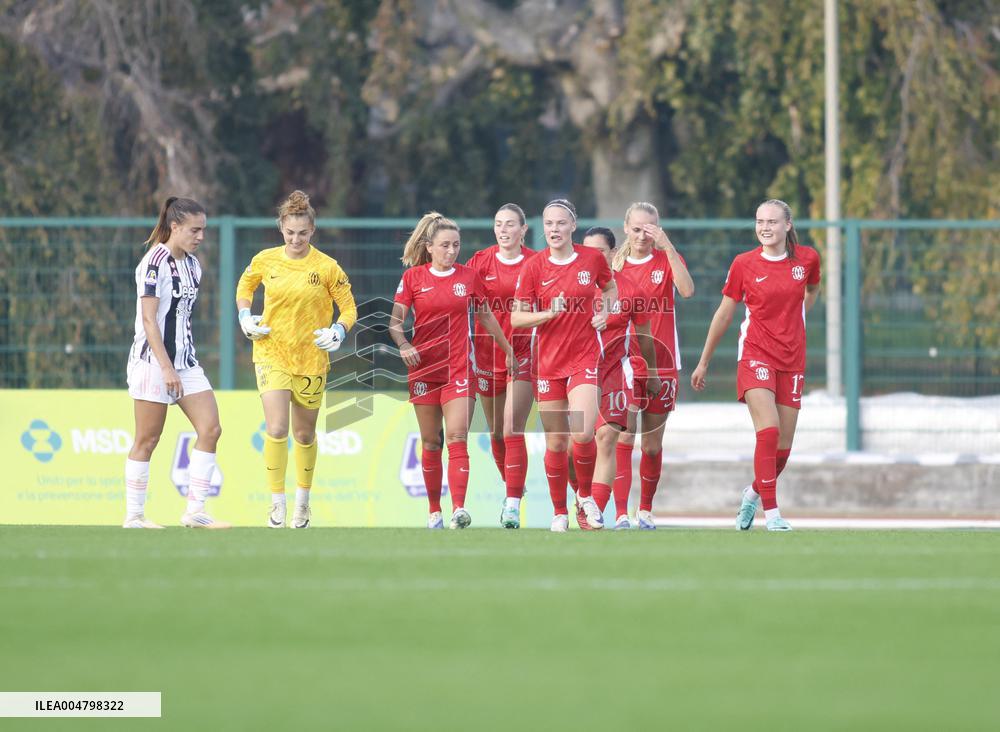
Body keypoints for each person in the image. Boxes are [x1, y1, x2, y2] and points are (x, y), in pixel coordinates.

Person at [691, 199, 821, 531]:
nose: (765, 227)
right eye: (760, 221)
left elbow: (813, 288)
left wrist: (800, 316)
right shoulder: (744, 264)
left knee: (783, 449)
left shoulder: (807, 259)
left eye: (773, 222)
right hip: (755, 355)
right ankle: (773, 514)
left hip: (792, 359)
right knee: (769, 430)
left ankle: (752, 493)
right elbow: (724, 314)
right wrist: (703, 362)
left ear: (788, 225)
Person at [236, 190, 357, 529]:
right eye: (290, 233)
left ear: (312, 230)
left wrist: (338, 331)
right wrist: (245, 316)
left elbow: (348, 308)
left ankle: (303, 502)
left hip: (311, 358)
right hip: (272, 352)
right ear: (281, 228)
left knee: (304, 435)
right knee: (276, 428)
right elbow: (245, 287)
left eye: (302, 233)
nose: (296, 239)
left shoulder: (327, 267)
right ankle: (277, 504)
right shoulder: (266, 260)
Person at [389, 212, 515, 529]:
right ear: (429, 247)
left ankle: (459, 508)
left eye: (456, 245)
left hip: (459, 369)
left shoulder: (468, 278)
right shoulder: (413, 278)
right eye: (445, 245)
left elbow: (486, 317)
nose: (451, 251)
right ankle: (435, 512)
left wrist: (508, 350)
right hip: (424, 371)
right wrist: (404, 345)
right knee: (431, 442)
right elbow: (395, 324)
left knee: (457, 436)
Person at [511, 199, 617, 532]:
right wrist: (547, 314)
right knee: (557, 443)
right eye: (548, 223)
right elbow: (516, 317)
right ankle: (559, 512)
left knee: (583, 433)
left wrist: (605, 312)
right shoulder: (534, 267)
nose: (554, 230)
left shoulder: (593, 259)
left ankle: (584, 497)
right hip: (548, 365)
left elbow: (610, 287)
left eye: (560, 223)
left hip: (584, 358)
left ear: (573, 226)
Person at [124, 196, 229, 529]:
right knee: (148, 439)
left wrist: (179, 364)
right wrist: (166, 368)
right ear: (175, 226)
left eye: (203, 230)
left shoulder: (193, 264)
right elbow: (150, 319)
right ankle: (135, 516)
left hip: (186, 362)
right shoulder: (154, 263)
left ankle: (195, 511)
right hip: (154, 363)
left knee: (211, 429)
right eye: (194, 230)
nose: (200, 237)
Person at [610, 202, 694, 529]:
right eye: (636, 228)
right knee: (624, 438)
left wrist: (668, 245)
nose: (642, 235)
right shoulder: (615, 267)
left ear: (657, 229)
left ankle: (645, 510)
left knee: (652, 444)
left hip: (663, 363)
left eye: (649, 229)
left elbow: (687, 290)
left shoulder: (665, 260)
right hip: (625, 363)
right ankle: (620, 513)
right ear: (626, 228)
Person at [580, 226, 661, 530]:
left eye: (599, 252)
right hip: (575, 375)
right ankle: (582, 500)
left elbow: (645, 337)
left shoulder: (629, 289)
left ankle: (600, 513)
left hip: (616, 373)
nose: (591, 258)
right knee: (579, 443)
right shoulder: (572, 286)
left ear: (613, 253)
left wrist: (651, 374)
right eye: (586, 252)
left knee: (609, 437)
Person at [465, 204, 537, 529]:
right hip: (486, 355)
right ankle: (513, 487)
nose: (504, 230)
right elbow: (458, 294)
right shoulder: (480, 262)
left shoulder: (537, 262)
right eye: (498, 224)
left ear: (523, 230)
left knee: (511, 428)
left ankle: (511, 505)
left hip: (524, 355)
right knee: (495, 431)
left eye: (510, 224)